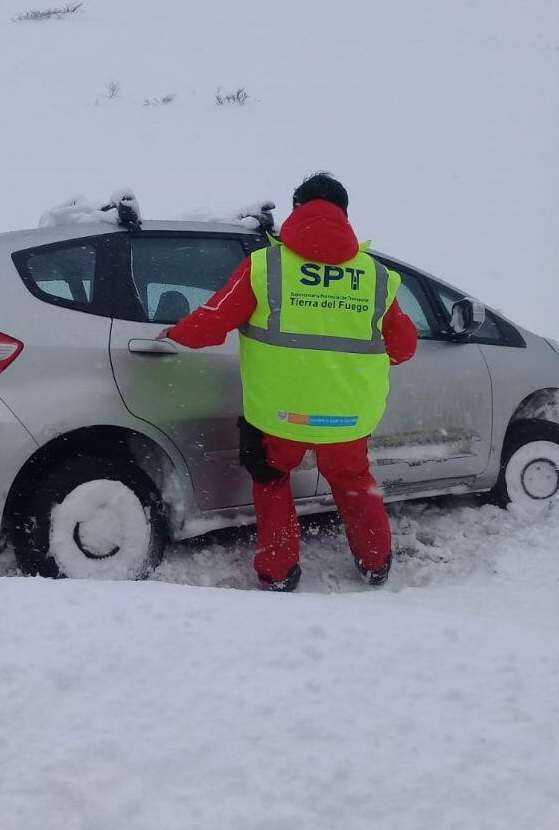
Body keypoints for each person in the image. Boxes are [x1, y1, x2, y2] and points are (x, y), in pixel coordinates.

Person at [158, 172, 418, 592]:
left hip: (280, 414)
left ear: (297, 209)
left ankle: (278, 573)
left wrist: (174, 333)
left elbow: (211, 324)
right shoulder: (377, 277)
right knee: (353, 483)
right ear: (345, 215)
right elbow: (404, 348)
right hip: (348, 416)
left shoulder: (265, 266)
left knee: (272, 482)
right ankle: (375, 563)